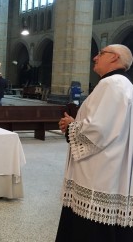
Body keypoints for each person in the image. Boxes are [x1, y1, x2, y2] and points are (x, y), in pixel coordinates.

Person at [56, 44, 133, 241]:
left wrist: (71, 125)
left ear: (115, 58)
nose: (95, 58)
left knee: (91, 231)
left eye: (101, 53)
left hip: (100, 172)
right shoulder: (118, 84)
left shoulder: (112, 84)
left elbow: (99, 130)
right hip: (107, 167)